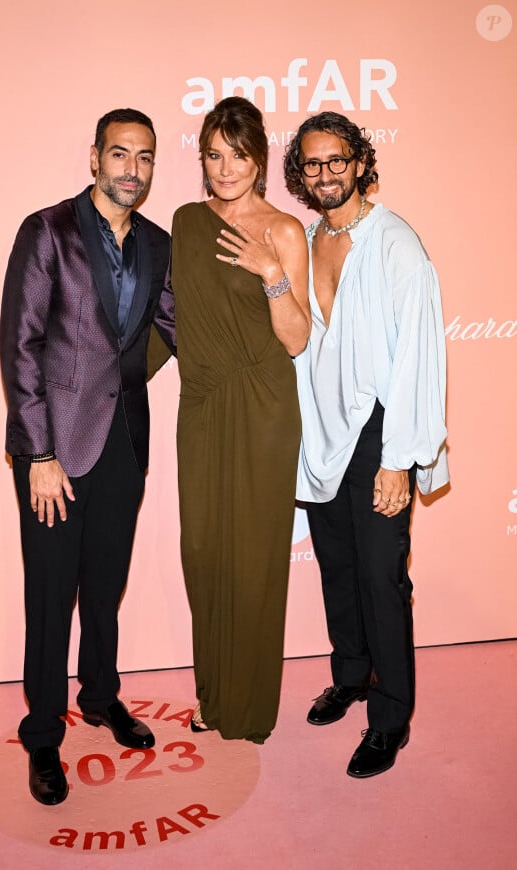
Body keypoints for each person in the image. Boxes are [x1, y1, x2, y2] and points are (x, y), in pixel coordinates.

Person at [0, 108, 175, 805]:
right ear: (96, 158)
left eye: (145, 157)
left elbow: (178, 328)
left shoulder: (158, 244)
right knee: (51, 598)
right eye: (120, 154)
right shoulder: (47, 230)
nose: (132, 169)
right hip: (55, 450)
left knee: (104, 588)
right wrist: (37, 451)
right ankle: (43, 733)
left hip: (124, 443)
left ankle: (100, 695)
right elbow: (21, 346)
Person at [283, 112, 448, 777]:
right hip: (323, 430)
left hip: (383, 428)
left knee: (381, 577)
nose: (326, 174)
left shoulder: (396, 245)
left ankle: (389, 717)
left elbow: (419, 360)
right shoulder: (307, 239)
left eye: (337, 161)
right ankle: (351, 674)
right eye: (313, 164)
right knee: (338, 566)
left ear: (359, 163)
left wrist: (400, 459)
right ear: (303, 172)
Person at [171, 97, 310, 743]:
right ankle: (214, 693)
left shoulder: (283, 230)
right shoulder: (185, 221)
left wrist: (273, 275)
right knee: (203, 553)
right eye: (214, 154)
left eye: (239, 154)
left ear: (259, 159)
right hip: (201, 404)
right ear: (202, 158)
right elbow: (171, 318)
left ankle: (247, 708)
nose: (226, 168)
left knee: (253, 560)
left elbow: (296, 339)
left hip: (262, 407)